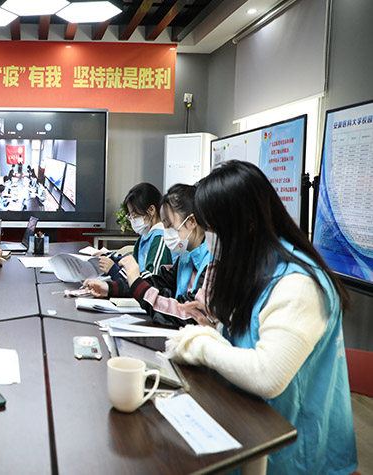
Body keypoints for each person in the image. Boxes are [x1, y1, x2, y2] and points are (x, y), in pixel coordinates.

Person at [165, 161, 356, 474]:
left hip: (293, 452)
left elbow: (267, 375)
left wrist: (199, 345)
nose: (211, 239)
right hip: (250, 426)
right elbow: (245, 336)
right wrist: (216, 328)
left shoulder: (299, 285)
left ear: (248, 225)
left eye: (215, 231)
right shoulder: (258, 266)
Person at [84, 184, 212, 327]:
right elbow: (158, 282)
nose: (167, 232)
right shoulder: (186, 256)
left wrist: (137, 284)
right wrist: (110, 288)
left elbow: (190, 314)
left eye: (170, 226)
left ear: (192, 221)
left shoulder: (211, 262)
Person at [98, 183, 173, 281]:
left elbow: (153, 281)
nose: (133, 220)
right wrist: (111, 258)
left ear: (151, 210)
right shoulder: (145, 236)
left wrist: (114, 271)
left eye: (135, 215)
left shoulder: (160, 238)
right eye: (130, 216)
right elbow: (133, 266)